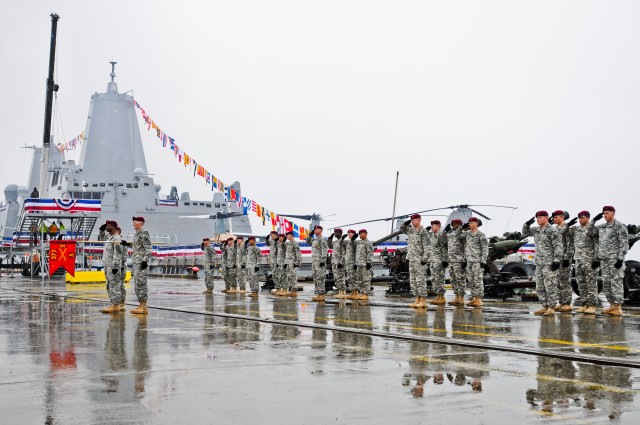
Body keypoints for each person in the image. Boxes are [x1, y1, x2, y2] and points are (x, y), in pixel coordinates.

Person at [522, 211, 562, 316]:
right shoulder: (536, 230)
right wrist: (527, 224)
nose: (538, 219)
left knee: (550, 285)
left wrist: (557, 260)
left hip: (549, 263)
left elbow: (558, 245)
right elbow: (525, 233)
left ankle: (551, 307)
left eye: (540, 217)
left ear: (546, 218)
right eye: (537, 218)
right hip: (539, 262)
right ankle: (544, 306)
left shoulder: (552, 230)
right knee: (540, 286)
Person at [594, 206, 628, 316]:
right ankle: (612, 305)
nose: (605, 215)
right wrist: (594, 220)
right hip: (604, 260)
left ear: (613, 213)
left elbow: (624, 243)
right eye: (604, 213)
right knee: (607, 283)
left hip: (615, 260)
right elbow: (590, 232)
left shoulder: (619, 226)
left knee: (616, 283)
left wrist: (620, 258)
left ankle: (618, 307)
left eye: (607, 213)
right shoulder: (602, 227)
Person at [570, 211, 599, 315]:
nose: (580, 220)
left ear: (588, 218)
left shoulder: (592, 230)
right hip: (579, 260)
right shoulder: (576, 229)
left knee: (590, 283)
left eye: (582, 218)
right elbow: (563, 233)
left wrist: (596, 259)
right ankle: (585, 304)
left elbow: (596, 244)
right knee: (581, 283)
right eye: (579, 218)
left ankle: (592, 305)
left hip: (589, 260)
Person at [400, 214, 430, 309]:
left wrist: (424, 259)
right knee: (413, 280)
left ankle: (423, 300)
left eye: (414, 220)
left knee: (420, 280)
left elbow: (427, 246)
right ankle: (417, 298)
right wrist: (406, 223)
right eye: (411, 220)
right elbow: (402, 229)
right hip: (412, 258)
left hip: (420, 259)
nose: (412, 222)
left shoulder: (423, 231)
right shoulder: (411, 230)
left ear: (419, 220)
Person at [100, 220, 126, 314]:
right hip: (107, 265)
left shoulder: (116, 239)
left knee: (114, 285)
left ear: (113, 227)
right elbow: (101, 237)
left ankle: (116, 305)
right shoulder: (109, 238)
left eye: (108, 225)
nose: (106, 227)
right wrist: (101, 230)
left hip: (112, 266)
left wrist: (115, 266)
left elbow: (118, 253)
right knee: (109, 285)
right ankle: (113, 303)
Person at [552, 210, 574, 312]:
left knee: (564, 281)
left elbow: (570, 244)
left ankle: (567, 303)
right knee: (558, 281)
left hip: (564, 258)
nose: (554, 219)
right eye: (554, 217)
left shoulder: (567, 228)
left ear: (562, 217)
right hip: (557, 258)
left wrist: (567, 257)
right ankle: (561, 302)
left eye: (556, 217)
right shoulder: (556, 229)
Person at [463, 218, 488, 307]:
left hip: (477, 261)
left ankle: (479, 299)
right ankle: (474, 298)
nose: (469, 224)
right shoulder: (468, 233)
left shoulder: (481, 235)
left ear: (476, 224)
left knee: (478, 280)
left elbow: (485, 248)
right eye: (469, 223)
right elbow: (458, 236)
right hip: (469, 261)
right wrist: (463, 227)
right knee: (470, 281)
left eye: (471, 223)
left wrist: (483, 260)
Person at [130, 216, 152, 315]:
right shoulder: (137, 234)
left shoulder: (144, 233)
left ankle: (144, 306)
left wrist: (145, 261)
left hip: (141, 263)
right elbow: (137, 247)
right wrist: (126, 244)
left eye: (135, 222)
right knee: (137, 284)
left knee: (141, 284)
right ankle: (141, 304)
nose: (134, 224)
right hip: (136, 262)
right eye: (133, 222)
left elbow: (148, 248)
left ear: (141, 223)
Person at [305, 225, 329, 302]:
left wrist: (323, 260)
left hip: (320, 262)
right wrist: (310, 235)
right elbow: (307, 242)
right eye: (314, 229)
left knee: (320, 278)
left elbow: (325, 250)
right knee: (315, 278)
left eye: (316, 229)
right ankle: (318, 294)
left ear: (321, 230)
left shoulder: (322, 239)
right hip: (315, 262)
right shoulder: (315, 240)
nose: (315, 230)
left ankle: (321, 295)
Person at [446, 219, 466, 306]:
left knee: (460, 279)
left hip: (459, 260)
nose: (455, 225)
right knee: (453, 280)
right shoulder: (450, 235)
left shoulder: (463, 234)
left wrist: (465, 260)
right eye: (454, 224)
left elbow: (466, 247)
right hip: (451, 260)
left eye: (457, 224)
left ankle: (461, 298)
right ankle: (456, 297)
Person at [428, 220, 448, 305]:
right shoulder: (432, 236)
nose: (432, 227)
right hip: (432, 260)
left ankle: (442, 297)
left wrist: (445, 260)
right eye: (431, 226)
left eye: (434, 226)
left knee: (439, 279)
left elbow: (445, 248)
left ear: (439, 226)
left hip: (439, 260)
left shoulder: (441, 235)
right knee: (434, 279)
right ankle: (438, 296)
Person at [354, 229, 374, 301]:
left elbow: (370, 253)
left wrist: (369, 262)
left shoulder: (368, 242)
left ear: (366, 234)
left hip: (365, 264)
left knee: (365, 279)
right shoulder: (359, 242)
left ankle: (365, 294)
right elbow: (357, 253)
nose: (360, 235)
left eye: (362, 234)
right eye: (360, 234)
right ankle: (361, 292)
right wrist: (356, 263)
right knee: (359, 279)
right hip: (359, 263)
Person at [328, 228, 348, 298]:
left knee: (341, 277)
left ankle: (343, 292)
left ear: (340, 233)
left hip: (339, 262)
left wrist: (341, 262)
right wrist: (330, 238)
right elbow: (330, 246)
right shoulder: (335, 242)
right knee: (336, 278)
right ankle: (340, 291)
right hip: (334, 262)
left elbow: (344, 253)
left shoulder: (343, 241)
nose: (335, 234)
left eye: (336, 232)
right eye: (334, 232)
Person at [284, 231, 302, 297]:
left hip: (293, 262)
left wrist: (297, 262)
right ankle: (291, 290)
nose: (287, 237)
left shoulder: (295, 243)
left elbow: (298, 253)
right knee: (289, 276)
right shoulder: (287, 243)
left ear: (291, 235)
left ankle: (294, 291)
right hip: (288, 262)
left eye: (288, 235)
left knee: (293, 276)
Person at [344, 230, 358, 298]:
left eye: (350, 233)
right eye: (348, 233)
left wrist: (356, 263)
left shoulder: (355, 242)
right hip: (348, 263)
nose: (348, 234)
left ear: (354, 234)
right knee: (349, 278)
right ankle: (352, 292)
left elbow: (357, 253)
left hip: (353, 263)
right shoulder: (348, 242)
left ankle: (355, 292)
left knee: (353, 278)